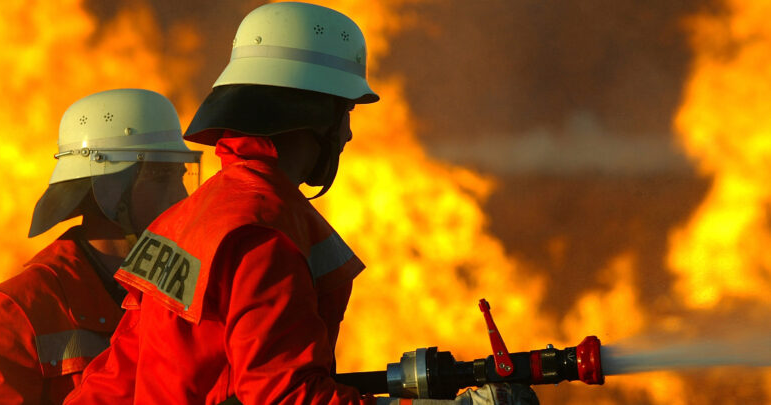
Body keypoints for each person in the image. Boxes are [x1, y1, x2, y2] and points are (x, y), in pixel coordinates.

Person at [64, 3, 538, 405]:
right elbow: (284, 395)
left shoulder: (187, 218)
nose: (348, 133)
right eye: (345, 113)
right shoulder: (262, 232)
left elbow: (114, 379)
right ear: (310, 113)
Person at [0, 88, 202, 405]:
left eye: (182, 176)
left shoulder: (189, 296)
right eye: (162, 177)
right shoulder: (10, 319)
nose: (182, 198)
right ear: (109, 190)